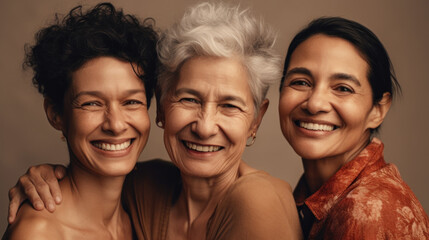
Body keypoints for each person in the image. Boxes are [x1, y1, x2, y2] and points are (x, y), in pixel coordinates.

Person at [6, 2, 302, 240]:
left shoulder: (257, 202)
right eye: (189, 99)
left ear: (256, 119)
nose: (205, 126)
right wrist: (42, 180)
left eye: (229, 105)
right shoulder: (142, 189)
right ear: (161, 106)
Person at [3, 2, 158, 239]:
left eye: (131, 102)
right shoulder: (39, 233)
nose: (115, 125)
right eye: (92, 103)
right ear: (56, 114)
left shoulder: (146, 212)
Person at [279, 17, 429, 239]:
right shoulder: (309, 196)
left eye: (343, 88)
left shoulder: (367, 210)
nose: (314, 103)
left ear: (378, 110)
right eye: (301, 82)